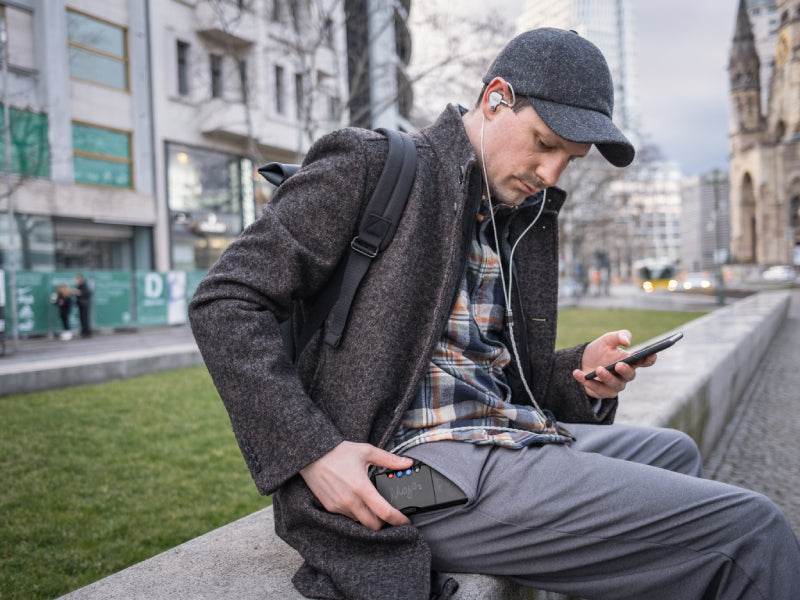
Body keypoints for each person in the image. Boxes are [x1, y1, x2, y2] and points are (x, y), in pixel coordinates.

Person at [189, 28, 800, 600]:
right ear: (495, 99)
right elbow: (226, 300)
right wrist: (314, 453)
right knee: (749, 531)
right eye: (544, 145)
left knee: (675, 453)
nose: (551, 174)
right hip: (411, 470)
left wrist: (577, 374)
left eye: (570, 159)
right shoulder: (370, 166)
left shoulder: (511, 217)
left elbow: (483, 373)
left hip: (496, 442)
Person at [73, 273, 92, 338]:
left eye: (78, 279)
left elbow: (88, 293)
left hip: (84, 304)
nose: (77, 280)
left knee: (84, 318)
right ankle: (84, 331)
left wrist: (80, 293)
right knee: (82, 318)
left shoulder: (85, 285)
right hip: (80, 304)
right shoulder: (80, 285)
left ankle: (86, 332)